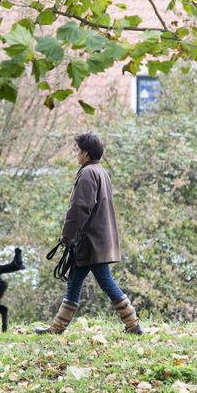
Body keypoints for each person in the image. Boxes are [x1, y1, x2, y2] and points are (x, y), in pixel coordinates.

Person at [36, 132, 143, 335]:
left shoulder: (87, 173)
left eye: (77, 150)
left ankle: (133, 324)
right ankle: (57, 328)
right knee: (74, 281)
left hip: (91, 241)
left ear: (86, 152)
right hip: (95, 240)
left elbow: (79, 208)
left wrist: (67, 236)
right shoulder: (100, 171)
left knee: (105, 281)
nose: (75, 153)